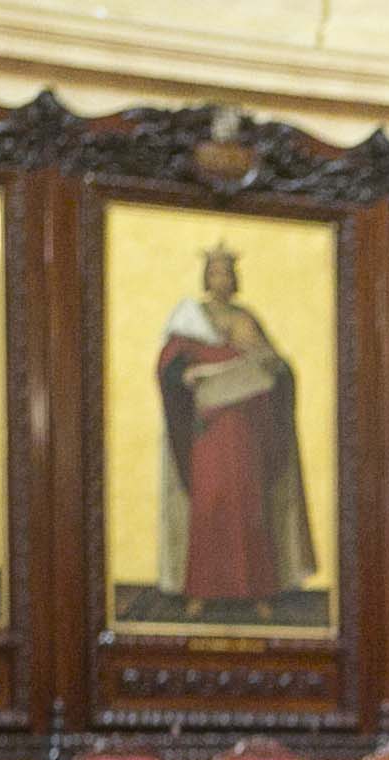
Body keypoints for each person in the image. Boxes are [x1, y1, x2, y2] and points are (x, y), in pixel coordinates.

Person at [155, 243, 319, 618]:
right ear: (206, 278)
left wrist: (270, 363)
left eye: (227, 273)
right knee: (210, 505)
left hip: (246, 427)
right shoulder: (190, 319)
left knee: (248, 505)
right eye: (214, 273)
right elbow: (169, 369)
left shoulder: (247, 319)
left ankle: (257, 590)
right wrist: (188, 375)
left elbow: (276, 367)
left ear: (235, 279)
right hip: (207, 429)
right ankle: (202, 590)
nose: (221, 280)